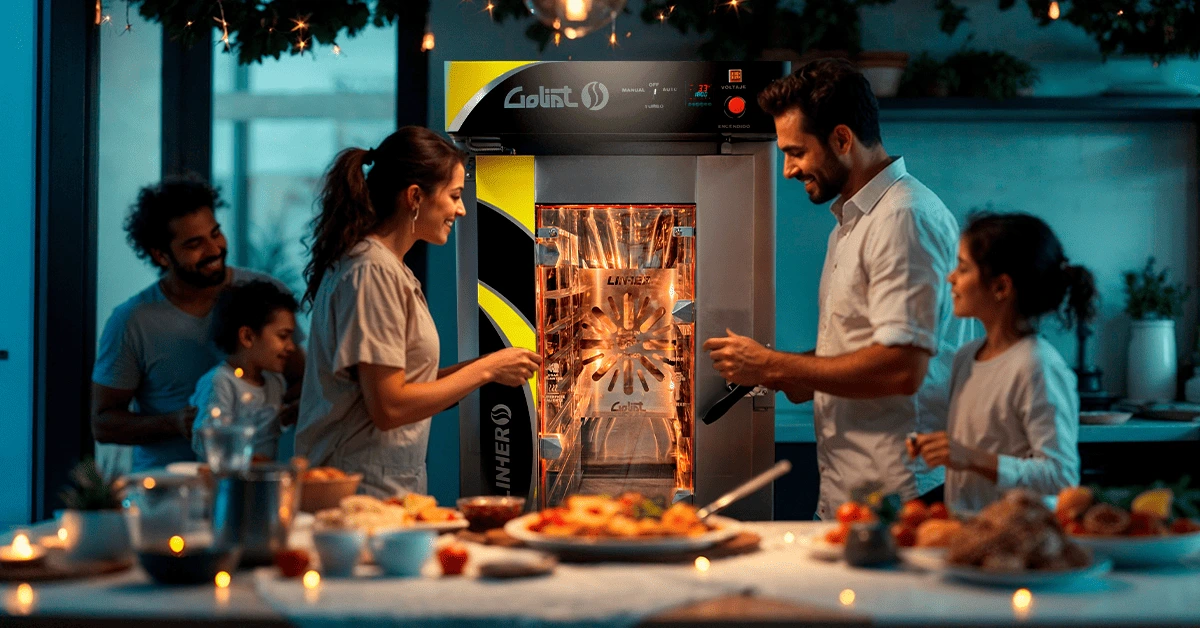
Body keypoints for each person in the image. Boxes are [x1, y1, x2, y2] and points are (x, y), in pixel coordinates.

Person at [702, 59, 965, 519]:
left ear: (842, 139)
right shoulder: (853, 222)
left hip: (903, 495)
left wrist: (771, 363)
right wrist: (782, 374)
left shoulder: (903, 218)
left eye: (796, 152)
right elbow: (857, 351)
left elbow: (901, 368)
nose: (787, 170)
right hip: (855, 492)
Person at [296, 126, 541, 497]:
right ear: (414, 197)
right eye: (454, 195)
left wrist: (491, 366)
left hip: (383, 488)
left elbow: (408, 383)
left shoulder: (388, 268)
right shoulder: (372, 271)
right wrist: (487, 369)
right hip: (357, 495)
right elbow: (389, 407)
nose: (461, 209)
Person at [92, 176, 304, 472]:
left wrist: (293, 407)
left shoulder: (264, 295)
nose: (214, 249)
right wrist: (174, 423)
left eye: (215, 233)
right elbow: (103, 423)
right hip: (169, 485)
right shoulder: (132, 321)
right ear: (161, 255)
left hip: (251, 482)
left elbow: (302, 377)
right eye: (194, 244)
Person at [909, 213, 1090, 514]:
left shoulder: (1038, 365)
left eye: (963, 268)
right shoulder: (966, 357)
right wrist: (934, 446)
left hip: (1021, 535)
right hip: (968, 531)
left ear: (1001, 287)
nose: (950, 278)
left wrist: (972, 458)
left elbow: (1061, 475)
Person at [190, 280, 299, 463]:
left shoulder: (275, 382)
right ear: (247, 336)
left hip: (263, 478)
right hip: (227, 479)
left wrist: (284, 419)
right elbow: (205, 442)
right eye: (283, 336)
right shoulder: (220, 382)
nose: (291, 347)